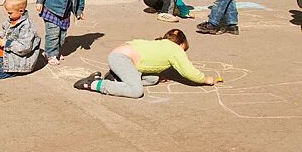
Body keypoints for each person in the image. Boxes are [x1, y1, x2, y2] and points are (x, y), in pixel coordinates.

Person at [73, 29, 215, 98]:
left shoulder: (161, 44)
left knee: (153, 79)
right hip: (122, 59)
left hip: (121, 57)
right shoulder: (175, 49)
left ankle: (115, 78)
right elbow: (188, 71)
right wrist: (205, 79)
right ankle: (94, 84)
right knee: (136, 91)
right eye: (184, 49)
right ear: (181, 44)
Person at [0, 0, 42, 79]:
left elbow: (25, 47)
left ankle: (14, 71)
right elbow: (4, 30)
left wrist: (7, 43)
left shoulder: (27, 27)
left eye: (10, 13)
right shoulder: (11, 19)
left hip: (17, 61)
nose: (8, 15)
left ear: (21, 11)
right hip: (5, 56)